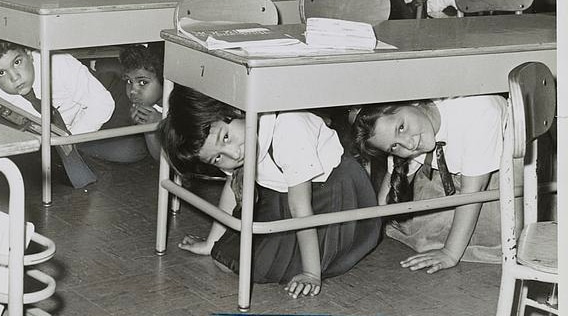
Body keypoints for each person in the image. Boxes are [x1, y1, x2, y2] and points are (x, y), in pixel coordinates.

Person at [158, 85, 381, 298]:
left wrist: (311, 273)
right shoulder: (240, 139)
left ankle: (312, 259)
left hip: (331, 196)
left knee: (254, 264)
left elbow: (300, 207)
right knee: (224, 257)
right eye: (217, 158)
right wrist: (211, 243)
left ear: (235, 110)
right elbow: (232, 190)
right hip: (284, 196)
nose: (233, 154)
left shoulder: (287, 127)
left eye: (225, 138)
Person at [351, 95, 508, 274]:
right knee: (413, 227)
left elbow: (474, 192)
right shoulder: (414, 127)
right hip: (456, 178)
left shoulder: (479, 112)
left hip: (501, 178)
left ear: (413, 102)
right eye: (394, 146)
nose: (409, 144)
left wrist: (450, 253)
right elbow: (388, 189)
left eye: (401, 127)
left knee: (486, 239)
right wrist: (369, 231)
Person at [0, 36, 114, 188]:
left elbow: (102, 103)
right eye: (1, 73)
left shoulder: (58, 63)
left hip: (95, 103)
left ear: (29, 54)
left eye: (17, 62)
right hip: (51, 138)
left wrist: (69, 140)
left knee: (129, 150)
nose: (15, 77)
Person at [87, 43, 165, 162]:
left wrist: (150, 129)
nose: (133, 90)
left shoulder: (177, 106)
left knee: (132, 150)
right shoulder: (124, 92)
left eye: (143, 83)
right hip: (104, 106)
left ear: (164, 80)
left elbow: (162, 160)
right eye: (129, 81)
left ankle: (74, 143)